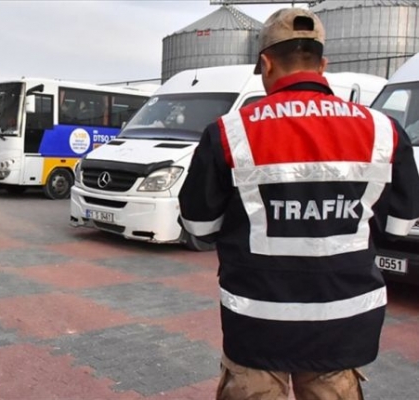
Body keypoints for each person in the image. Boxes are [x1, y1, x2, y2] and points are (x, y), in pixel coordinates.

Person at [178, 9, 419, 400]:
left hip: (256, 323)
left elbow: (199, 226)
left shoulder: (229, 132)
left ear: (266, 63)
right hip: (344, 323)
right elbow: (400, 226)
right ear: (323, 64)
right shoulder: (383, 130)